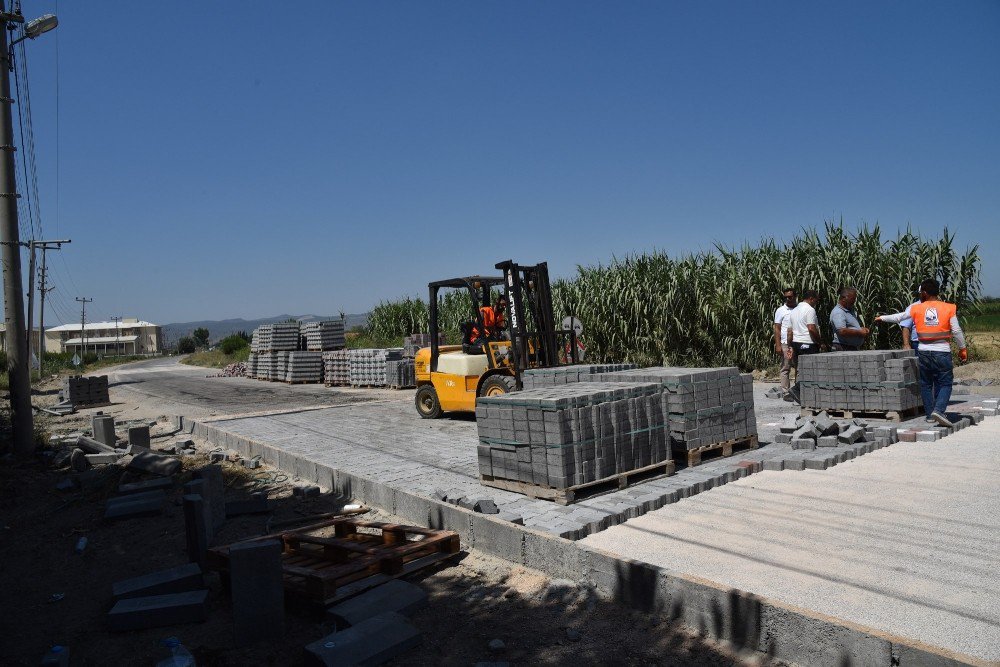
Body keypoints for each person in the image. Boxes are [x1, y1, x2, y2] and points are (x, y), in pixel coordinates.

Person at [874, 278, 967, 426]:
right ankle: (939, 410)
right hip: (942, 351)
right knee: (945, 383)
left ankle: (930, 415)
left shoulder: (916, 308)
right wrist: (962, 348)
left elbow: (899, 317)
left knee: (926, 384)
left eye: (920, 292)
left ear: (924, 292)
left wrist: (882, 318)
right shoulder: (948, 308)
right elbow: (956, 331)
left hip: (923, 350)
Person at [773, 288, 797, 395]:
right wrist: (778, 345)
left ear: (795, 296)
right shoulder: (780, 310)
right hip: (785, 343)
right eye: (786, 297)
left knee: (799, 367)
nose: (788, 299)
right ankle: (785, 391)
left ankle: (798, 391)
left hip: (798, 342)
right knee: (785, 367)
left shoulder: (799, 308)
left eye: (790, 296)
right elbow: (777, 328)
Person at [829, 287, 870, 351]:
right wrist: (860, 332)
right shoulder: (838, 312)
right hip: (842, 348)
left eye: (855, 299)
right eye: (852, 299)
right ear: (844, 298)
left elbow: (850, 327)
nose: (854, 301)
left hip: (849, 347)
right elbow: (842, 331)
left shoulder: (849, 310)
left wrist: (862, 329)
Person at [786, 289, 823, 358]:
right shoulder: (810, 310)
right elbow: (811, 328)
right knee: (811, 367)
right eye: (816, 300)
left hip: (796, 344)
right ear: (811, 299)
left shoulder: (794, 310)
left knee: (799, 367)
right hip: (808, 344)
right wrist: (820, 343)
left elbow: (789, 332)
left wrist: (789, 346)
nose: (816, 303)